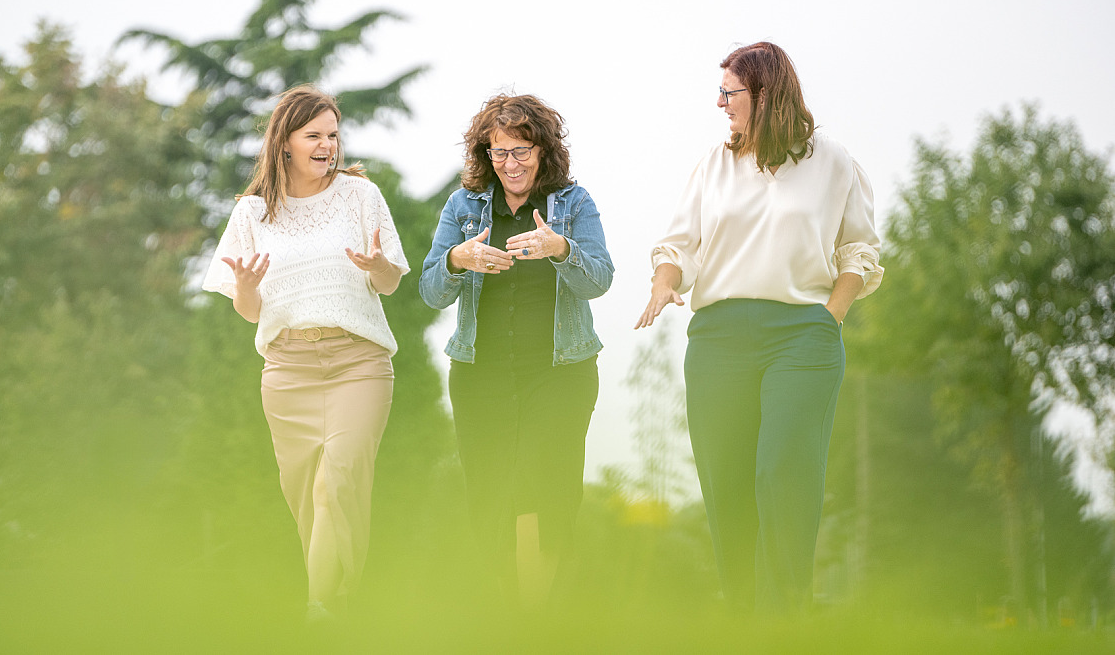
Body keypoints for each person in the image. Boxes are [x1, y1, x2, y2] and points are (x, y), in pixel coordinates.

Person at [636, 42, 884, 613]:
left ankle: (786, 620)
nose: (719, 103)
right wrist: (664, 282)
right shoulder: (714, 164)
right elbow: (678, 242)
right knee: (727, 486)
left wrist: (831, 317)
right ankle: (743, 620)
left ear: (767, 95)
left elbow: (860, 249)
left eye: (730, 93)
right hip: (719, 338)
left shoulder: (834, 161)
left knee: (783, 473)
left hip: (802, 335)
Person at [202, 85, 408, 623]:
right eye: (313, 136)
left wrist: (375, 266)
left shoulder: (361, 196)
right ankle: (342, 601)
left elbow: (389, 283)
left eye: (333, 136)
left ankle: (319, 608)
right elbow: (248, 310)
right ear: (284, 143)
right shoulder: (251, 213)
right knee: (305, 496)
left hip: (358, 363)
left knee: (335, 480)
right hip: (288, 370)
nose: (327, 146)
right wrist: (246, 285)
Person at [420, 93, 614, 610]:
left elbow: (601, 279)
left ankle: (538, 614)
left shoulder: (573, 203)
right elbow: (430, 290)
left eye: (522, 150)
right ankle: (505, 616)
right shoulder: (464, 206)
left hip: (559, 374)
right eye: (499, 152)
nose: (511, 164)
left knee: (547, 490)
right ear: (486, 154)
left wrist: (562, 249)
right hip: (479, 375)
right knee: (489, 497)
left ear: (543, 150)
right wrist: (458, 259)